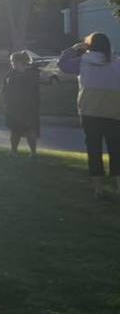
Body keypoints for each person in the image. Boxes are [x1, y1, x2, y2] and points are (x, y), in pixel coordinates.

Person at [59, 33, 120, 197]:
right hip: (114, 112)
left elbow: (63, 65)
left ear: (89, 46)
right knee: (116, 150)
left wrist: (73, 49)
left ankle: (98, 188)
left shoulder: (83, 61)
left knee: (94, 150)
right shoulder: (117, 62)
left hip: (89, 111)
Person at [2, 51, 41, 158]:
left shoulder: (30, 75)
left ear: (19, 61)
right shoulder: (11, 74)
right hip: (14, 108)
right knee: (15, 130)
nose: (11, 63)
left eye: (13, 61)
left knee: (29, 130)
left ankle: (33, 152)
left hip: (27, 107)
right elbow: (5, 90)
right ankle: (13, 151)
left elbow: (32, 92)